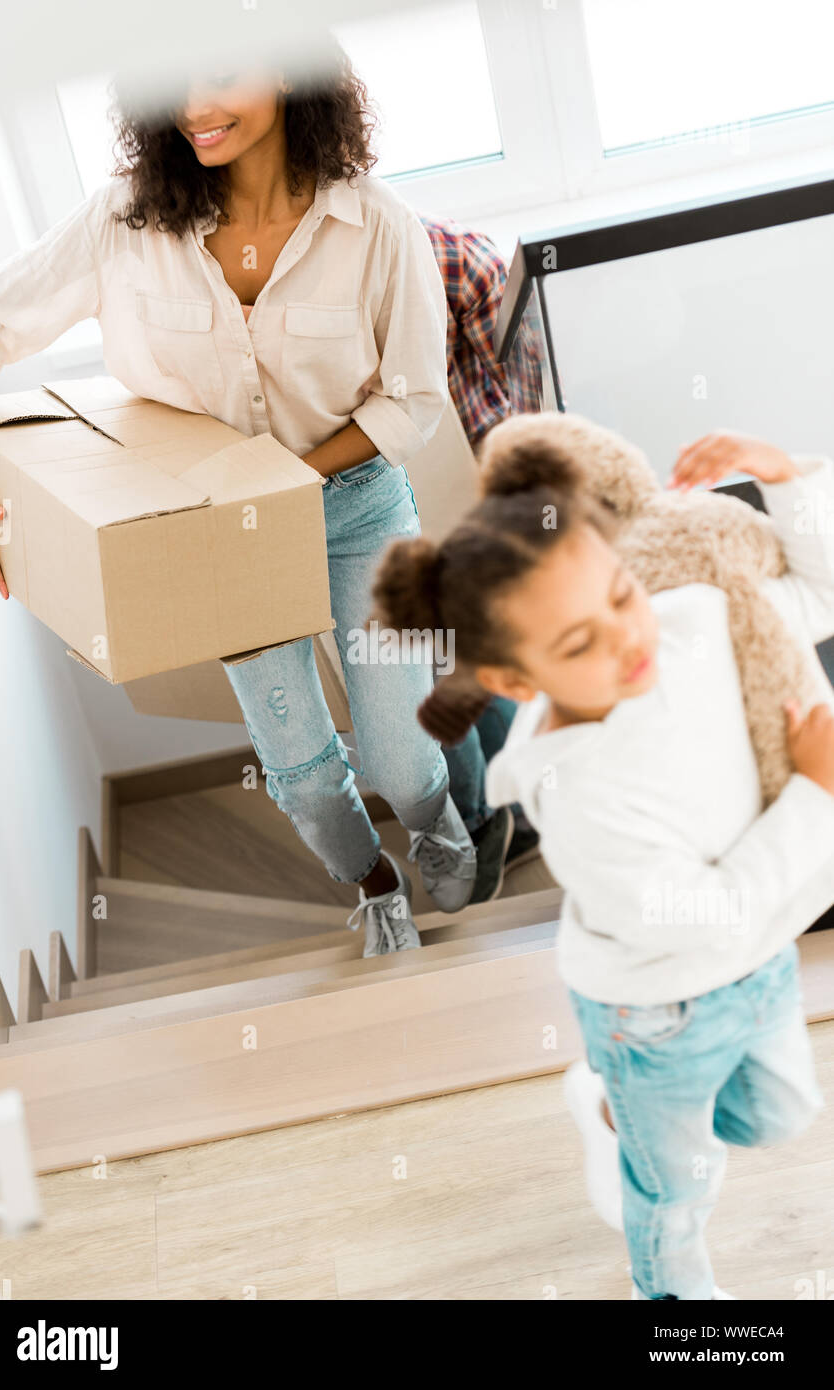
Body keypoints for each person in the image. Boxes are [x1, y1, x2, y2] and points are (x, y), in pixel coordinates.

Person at [0, 43, 476, 957]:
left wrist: (290, 481)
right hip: (221, 536)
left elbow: (412, 401)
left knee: (401, 762)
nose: (194, 103)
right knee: (306, 776)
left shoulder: (376, 226)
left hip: (356, 506)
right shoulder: (123, 221)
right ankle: (375, 884)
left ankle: (436, 818)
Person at [370, 416, 834, 1299]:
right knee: (675, 1190)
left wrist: (785, 474)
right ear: (512, 682)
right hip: (655, 1011)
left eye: (621, 593)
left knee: (778, 1119)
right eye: (578, 642)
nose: (628, 638)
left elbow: (819, 594)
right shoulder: (584, 797)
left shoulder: (685, 619)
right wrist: (818, 793)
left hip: (764, 960)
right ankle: (673, 1304)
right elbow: (706, 917)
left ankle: (613, 1108)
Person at [419, 214, 541, 901]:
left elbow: (520, 397)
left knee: (453, 664)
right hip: (379, 503)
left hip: (467, 498)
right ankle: (502, 815)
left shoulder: (450, 258)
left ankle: (490, 816)